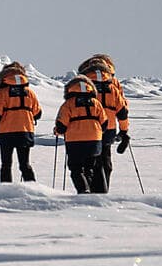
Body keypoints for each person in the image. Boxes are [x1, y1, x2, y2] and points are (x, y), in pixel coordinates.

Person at [53, 73, 113, 194]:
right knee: (89, 169)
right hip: (95, 140)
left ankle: (84, 191)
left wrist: (57, 131)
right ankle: (91, 193)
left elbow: (61, 125)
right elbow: (105, 123)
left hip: (75, 141)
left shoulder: (68, 104)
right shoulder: (96, 103)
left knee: (76, 169)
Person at [0, 62, 42, 182]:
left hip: (7, 132)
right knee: (25, 164)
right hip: (26, 131)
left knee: (6, 164)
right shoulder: (30, 93)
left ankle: (6, 190)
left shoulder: (2, 93)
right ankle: (33, 188)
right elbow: (38, 114)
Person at [78, 55, 132, 191]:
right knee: (104, 159)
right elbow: (123, 109)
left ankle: (89, 189)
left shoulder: (82, 84)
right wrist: (124, 130)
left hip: (87, 127)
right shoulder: (112, 83)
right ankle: (103, 190)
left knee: (89, 160)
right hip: (109, 128)